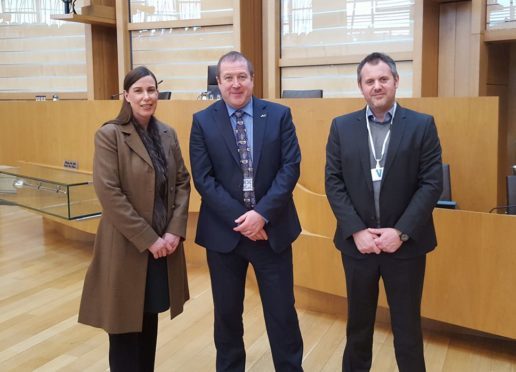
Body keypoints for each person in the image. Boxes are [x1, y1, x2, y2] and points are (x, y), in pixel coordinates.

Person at [325, 52, 443, 372]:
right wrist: (357, 230)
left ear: (395, 82)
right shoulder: (342, 127)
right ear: (361, 87)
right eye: (369, 81)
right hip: (358, 246)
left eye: (383, 79)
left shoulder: (421, 126)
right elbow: (333, 182)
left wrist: (400, 232)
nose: (377, 86)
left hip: (404, 246)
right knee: (358, 327)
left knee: (407, 329)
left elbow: (431, 184)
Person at [189, 51, 304, 371]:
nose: (236, 84)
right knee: (226, 315)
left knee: (282, 313)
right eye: (228, 78)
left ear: (252, 80)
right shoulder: (202, 121)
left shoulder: (279, 115)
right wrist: (243, 220)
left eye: (242, 77)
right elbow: (203, 178)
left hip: (272, 231)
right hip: (224, 235)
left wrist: (261, 215)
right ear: (218, 82)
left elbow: (290, 168)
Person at [78, 66, 191, 372]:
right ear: (126, 96)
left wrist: (173, 232)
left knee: (148, 321)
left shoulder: (168, 134)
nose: (146, 97)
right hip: (127, 247)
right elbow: (110, 195)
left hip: (162, 247)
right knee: (125, 331)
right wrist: (149, 239)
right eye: (138, 91)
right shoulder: (109, 135)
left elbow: (182, 182)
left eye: (151, 90)